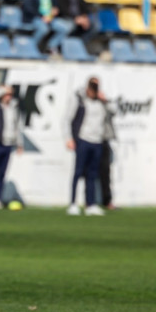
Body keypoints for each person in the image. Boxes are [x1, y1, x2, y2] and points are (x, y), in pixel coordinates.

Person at [64, 77, 111, 216]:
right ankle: (73, 203)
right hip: (83, 140)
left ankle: (91, 204)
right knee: (78, 172)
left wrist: (105, 100)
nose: (93, 91)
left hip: (98, 142)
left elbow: (114, 112)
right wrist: (69, 138)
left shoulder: (101, 103)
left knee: (92, 174)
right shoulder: (80, 101)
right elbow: (67, 119)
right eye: (91, 88)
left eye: (95, 88)